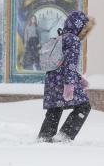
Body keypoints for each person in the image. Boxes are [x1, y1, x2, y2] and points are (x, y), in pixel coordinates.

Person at [38, 11, 95, 142]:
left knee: (55, 110)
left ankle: (44, 137)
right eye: (85, 29)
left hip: (52, 80)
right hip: (63, 81)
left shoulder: (60, 37)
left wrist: (79, 79)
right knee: (84, 106)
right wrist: (69, 85)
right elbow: (70, 64)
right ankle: (64, 136)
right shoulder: (73, 40)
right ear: (79, 27)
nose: (85, 33)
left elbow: (62, 63)